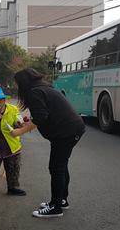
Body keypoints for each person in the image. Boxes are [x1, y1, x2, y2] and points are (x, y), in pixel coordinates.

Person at [13, 68, 85, 218]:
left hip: (66, 132)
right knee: (61, 166)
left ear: (23, 82)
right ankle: (61, 200)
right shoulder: (43, 88)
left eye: (17, 84)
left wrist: (20, 132)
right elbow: (43, 114)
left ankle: (55, 207)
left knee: (56, 168)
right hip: (70, 129)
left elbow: (41, 118)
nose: (16, 87)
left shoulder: (35, 92)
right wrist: (29, 123)